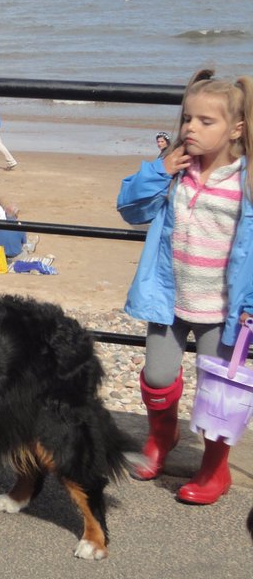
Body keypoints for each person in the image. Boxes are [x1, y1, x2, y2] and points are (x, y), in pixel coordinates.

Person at [116, 68, 253, 505]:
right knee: (157, 377)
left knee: (220, 395)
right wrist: (158, 170)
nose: (190, 129)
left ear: (237, 128)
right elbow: (130, 209)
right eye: (186, 119)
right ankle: (162, 436)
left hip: (226, 309)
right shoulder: (175, 172)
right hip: (169, 299)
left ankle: (215, 470)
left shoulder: (246, 181)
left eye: (204, 122)